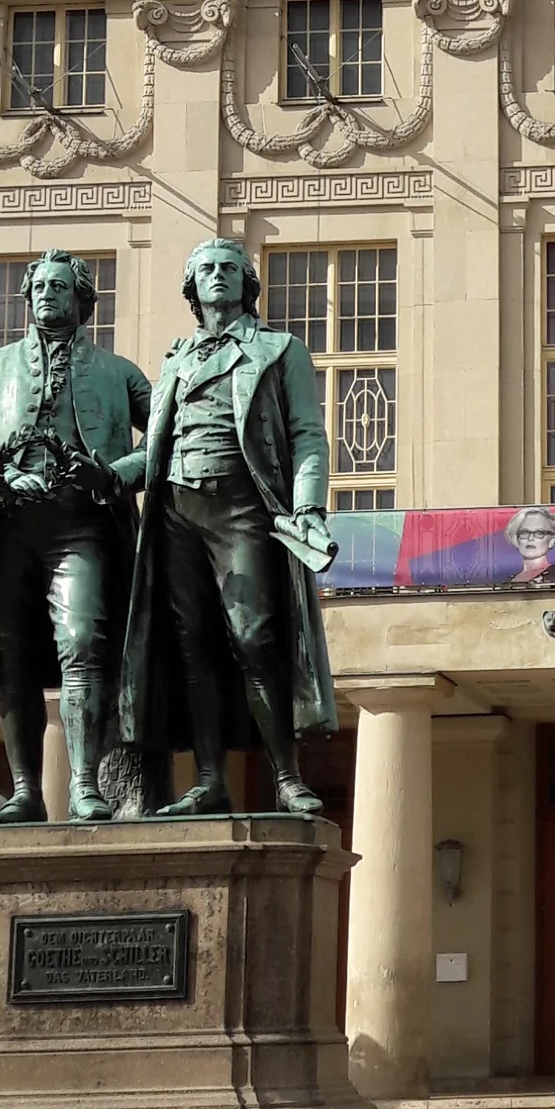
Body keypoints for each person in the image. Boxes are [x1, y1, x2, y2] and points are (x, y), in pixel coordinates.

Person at [116, 236, 338, 816]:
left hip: (242, 507)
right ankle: (211, 778)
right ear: (192, 286)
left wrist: (308, 507)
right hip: (174, 515)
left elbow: (308, 436)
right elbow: (156, 450)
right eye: (207, 269)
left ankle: (285, 776)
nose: (218, 276)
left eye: (230, 268)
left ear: (248, 284)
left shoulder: (278, 348)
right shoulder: (176, 360)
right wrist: (104, 476)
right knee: (194, 650)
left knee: (255, 639)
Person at [0, 250, 150, 824]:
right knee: (13, 658)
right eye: (38, 287)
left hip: (82, 525)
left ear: (84, 301)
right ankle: (25, 791)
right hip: (5, 526)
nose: (46, 296)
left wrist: (113, 474)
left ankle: (85, 785)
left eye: (60, 287)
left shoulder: (119, 373)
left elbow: (165, 438)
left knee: (83, 641)